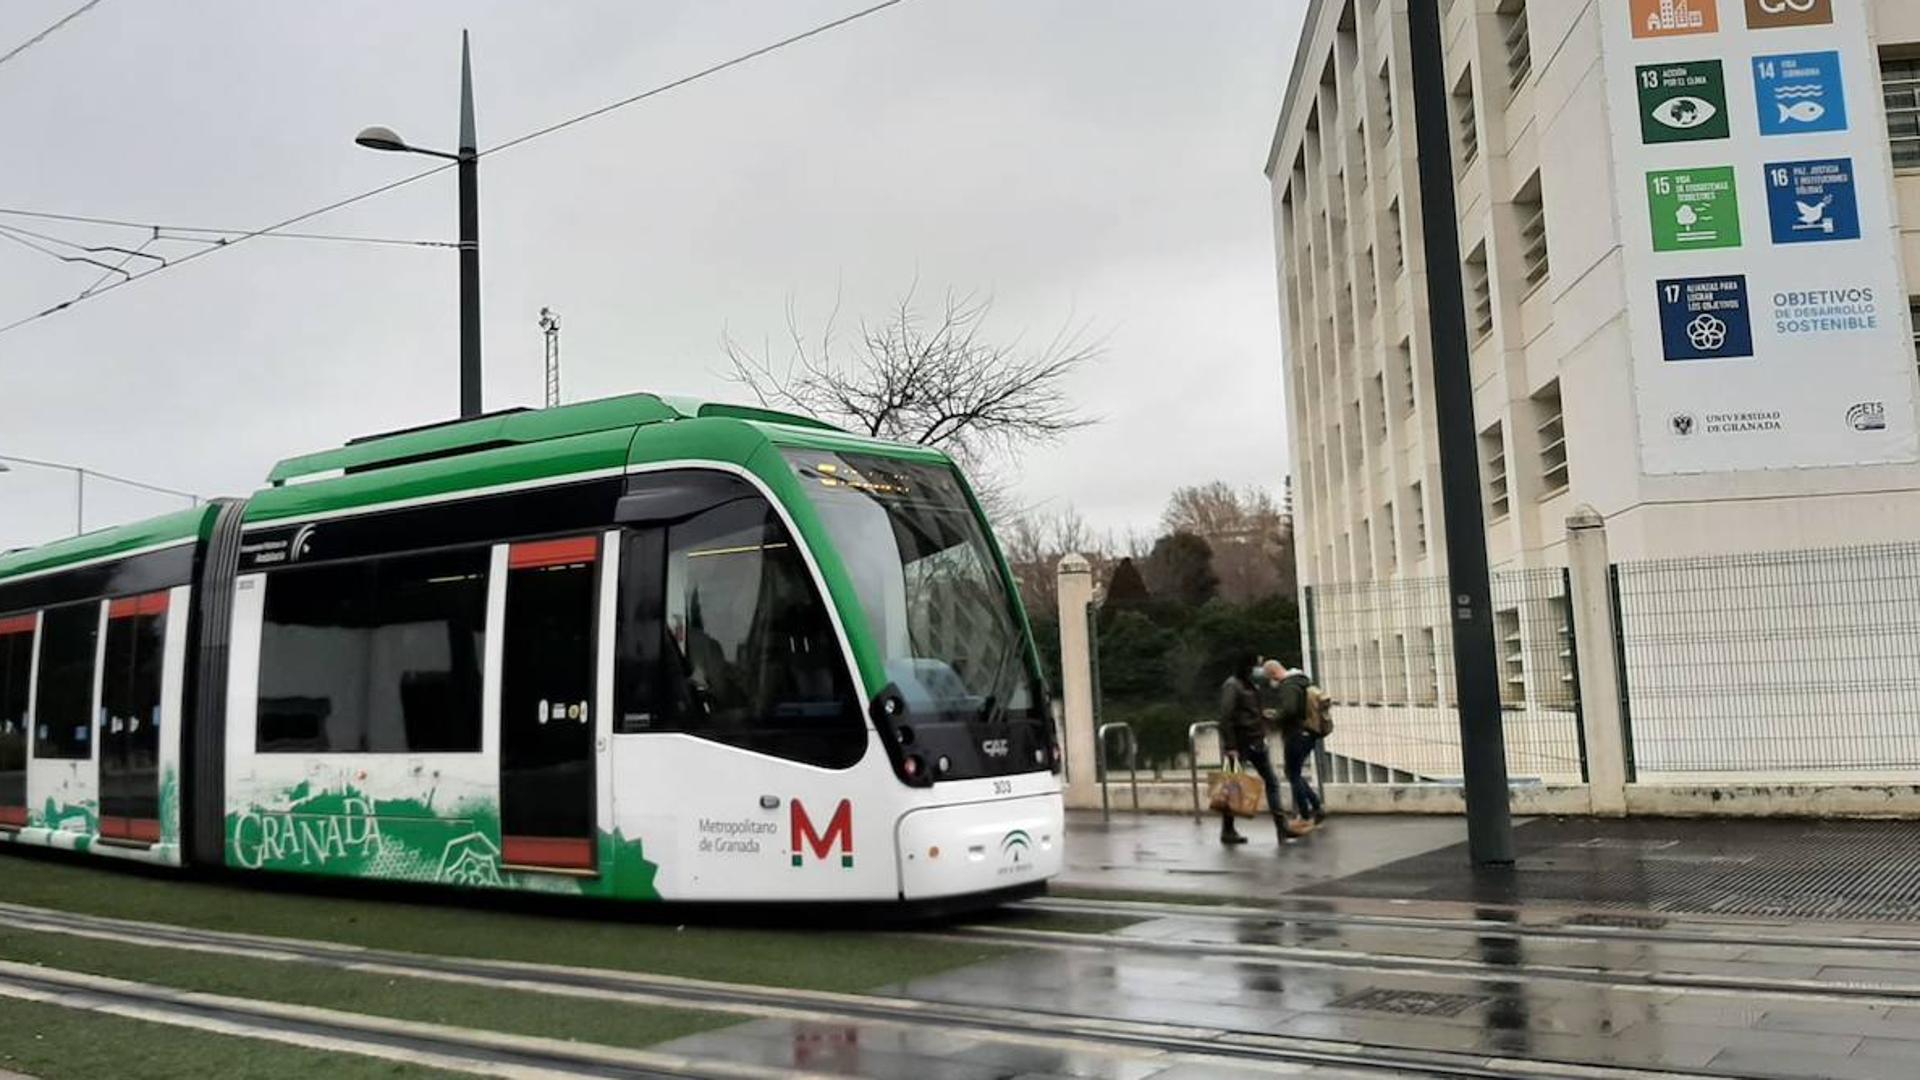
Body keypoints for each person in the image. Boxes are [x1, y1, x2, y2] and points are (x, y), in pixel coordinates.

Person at [1218, 652, 1301, 845]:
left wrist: (1264, 719)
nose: (1260, 669)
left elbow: (1250, 711)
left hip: (1256, 741)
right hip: (1239, 744)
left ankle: (1282, 827)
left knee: (1271, 781)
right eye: (1257, 665)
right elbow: (1226, 717)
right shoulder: (1233, 686)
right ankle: (1228, 830)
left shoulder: (1249, 685)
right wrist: (1231, 746)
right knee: (1233, 787)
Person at [1263, 659, 1325, 827]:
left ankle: (1305, 814)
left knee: (1293, 774)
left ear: (1273, 674)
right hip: (1308, 733)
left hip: (1296, 734)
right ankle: (1317, 807)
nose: (1271, 682)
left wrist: (1275, 716)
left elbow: (1290, 710)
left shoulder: (1289, 686)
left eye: (1270, 678)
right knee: (1293, 773)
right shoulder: (1301, 681)